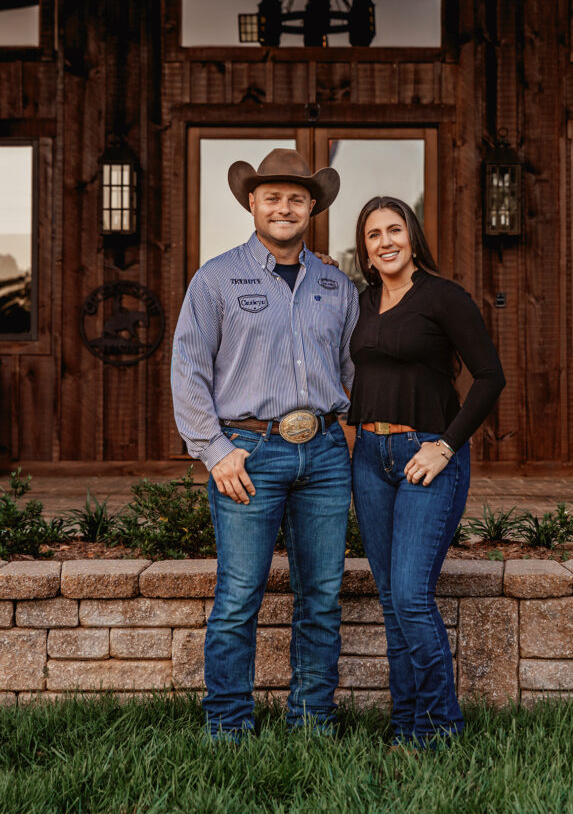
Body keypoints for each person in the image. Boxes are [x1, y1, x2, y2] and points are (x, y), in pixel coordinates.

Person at [171, 148, 359, 741]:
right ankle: (227, 726)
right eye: (272, 197)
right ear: (252, 203)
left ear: (312, 209)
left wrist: (350, 440)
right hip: (248, 454)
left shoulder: (336, 283)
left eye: (296, 199)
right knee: (238, 597)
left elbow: (352, 371)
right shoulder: (217, 278)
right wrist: (214, 449)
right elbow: (188, 370)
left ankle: (313, 722)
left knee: (322, 596)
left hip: (326, 454)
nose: (284, 207)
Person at [346, 196, 505, 749]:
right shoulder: (361, 303)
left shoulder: (443, 297)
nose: (385, 241)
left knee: (411, 595)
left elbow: (489, 377)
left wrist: (445, 446)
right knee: (391, 599)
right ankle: (405, 725)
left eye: (395, 229)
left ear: (412, 237)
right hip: (369, 457)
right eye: (373, 234)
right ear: (363, 249)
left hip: (427, 457)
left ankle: (440, 727)